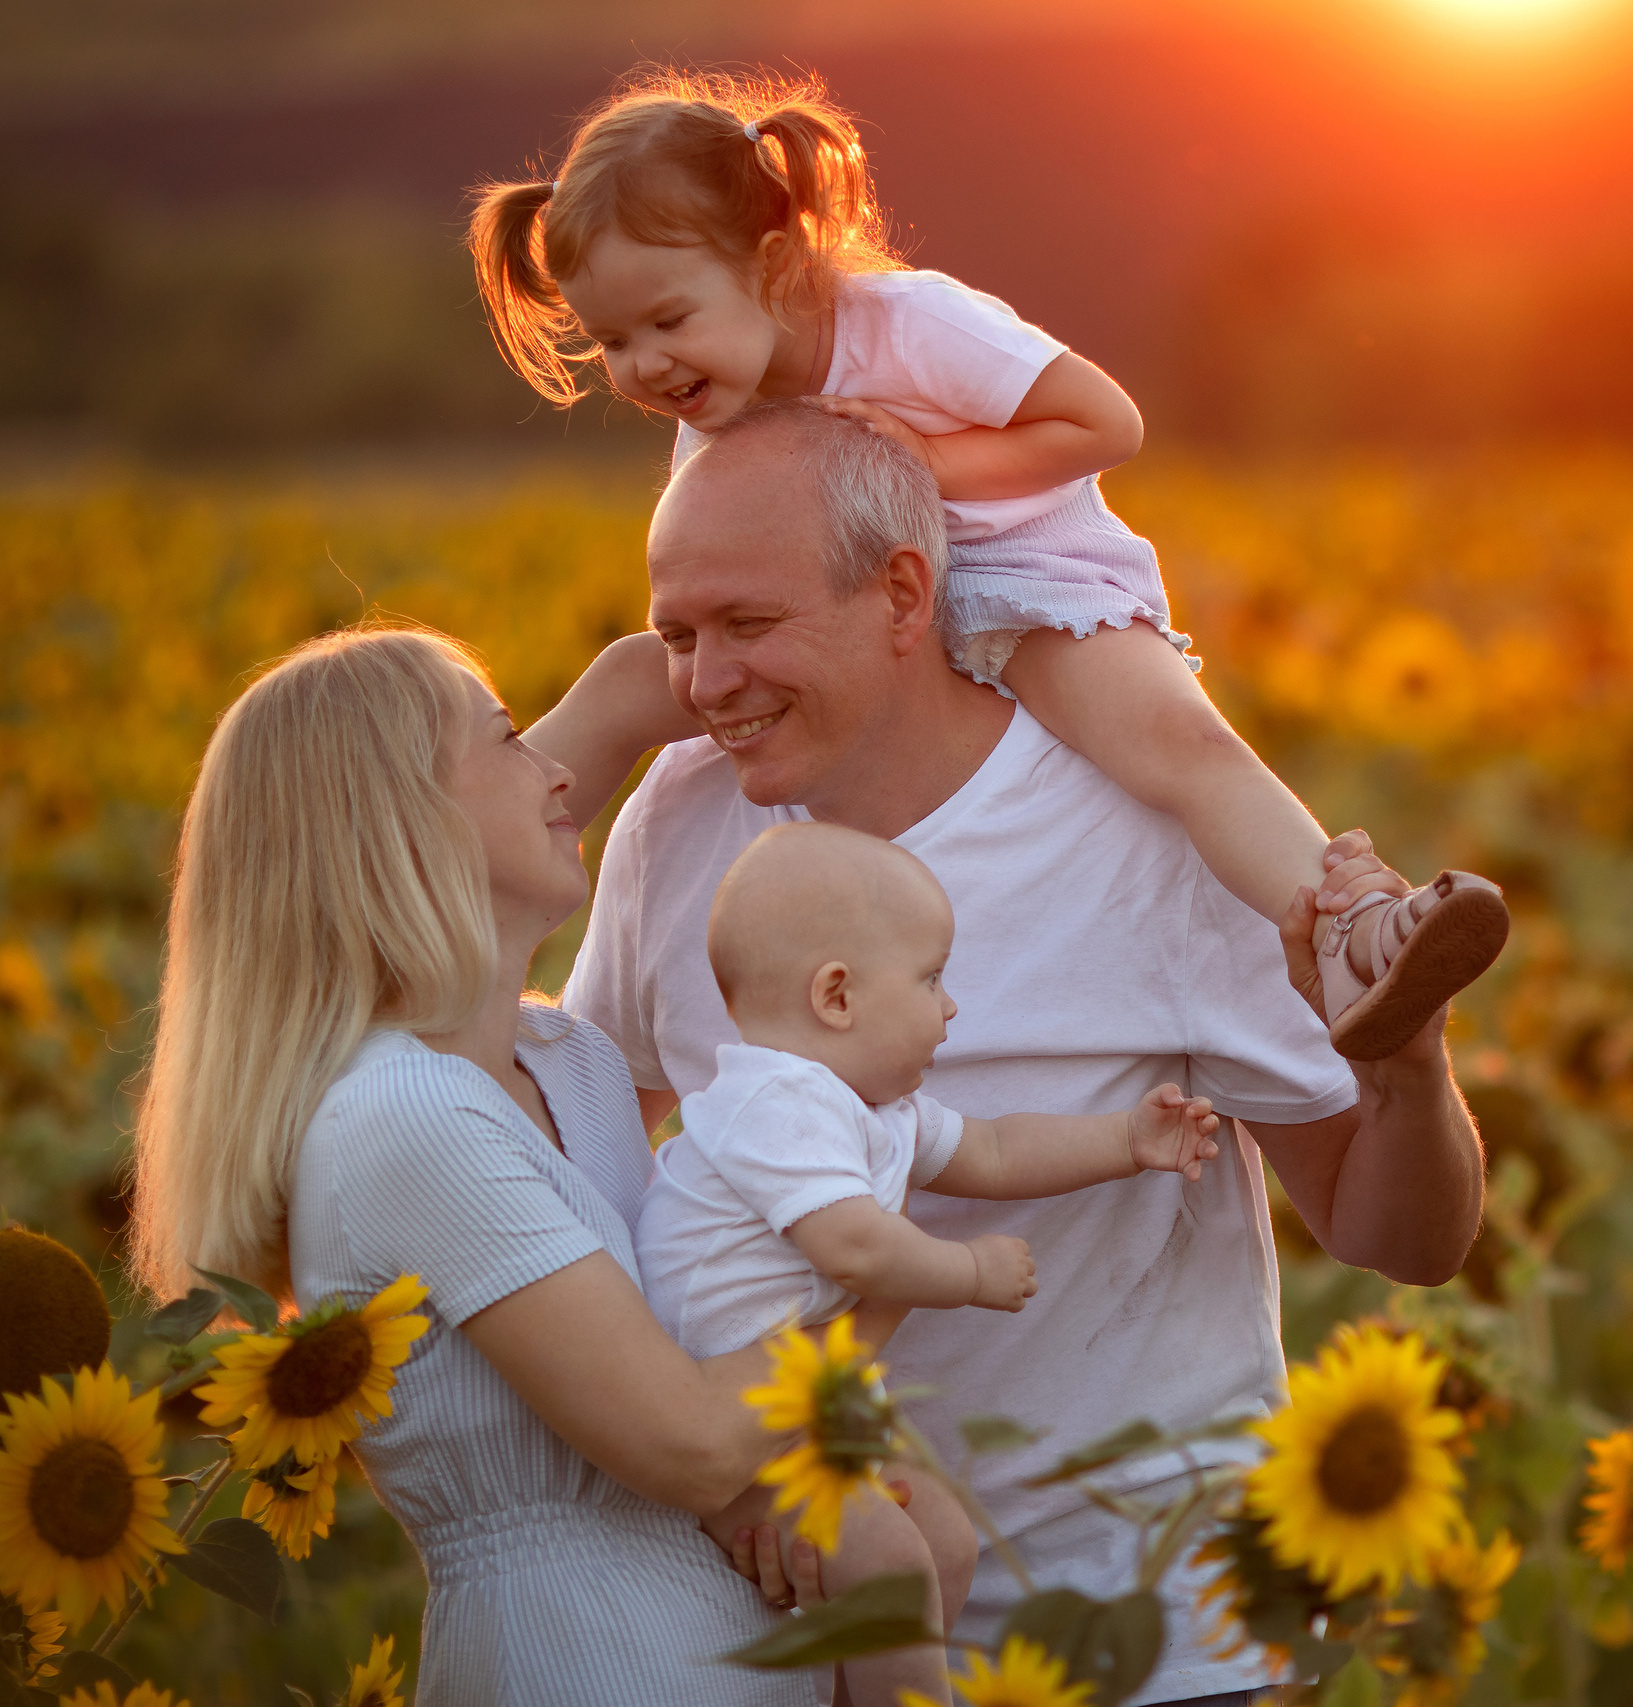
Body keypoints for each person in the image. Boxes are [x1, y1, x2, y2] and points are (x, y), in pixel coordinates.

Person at [551, 400, 1489, 1706]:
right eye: (677, 635)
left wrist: (1408, 1074)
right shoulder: (678, 819)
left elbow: (1402, 1238)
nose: (706, 683)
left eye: (749, 625)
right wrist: (723, 1461)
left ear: (902, 592)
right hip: (820, 1628)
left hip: (1152, 1625)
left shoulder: (1143, 827)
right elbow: (592, 1181)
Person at [471, 67, 1508, 1061]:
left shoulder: (910, 324)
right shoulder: (712, 403)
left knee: (1176, 745)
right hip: (862, 619)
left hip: (1022, 584)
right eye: (612, 341)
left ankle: (1351, 932)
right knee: (625, 680)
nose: (645, 365)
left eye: (668, 320)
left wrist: (925, 465)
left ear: (774, 264)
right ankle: (453, 868)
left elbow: (1105, 424)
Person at [124, 626, 826, 1706]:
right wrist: (880, 1274)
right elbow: (690, 1442)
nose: (558, 772)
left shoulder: (572, 1061)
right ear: (395, 822)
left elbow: (697, 1354)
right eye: (507, 738)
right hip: (583, 1662)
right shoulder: (401, 1116)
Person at [637, 819, 1224, 1657]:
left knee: (945, 1542)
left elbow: (994, 1149)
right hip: (726, 1426)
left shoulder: (877, 1109)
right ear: (837, 996)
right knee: (889, 1566)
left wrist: (1126, 1139)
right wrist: (969, 1270)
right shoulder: (775, 1103)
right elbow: (854, 1246)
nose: (950, 1005)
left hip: (808, 1416)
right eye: (931, 977)